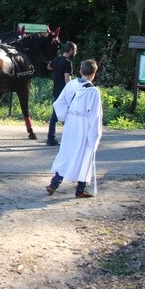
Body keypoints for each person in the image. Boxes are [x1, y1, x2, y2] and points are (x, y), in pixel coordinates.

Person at [45, 59, 102, 198]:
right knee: (84, 155)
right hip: (84, 124)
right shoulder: (93, 91)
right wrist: (95, 135)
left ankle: (55, 182)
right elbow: (95, 115)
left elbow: (59, 102)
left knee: (67, 152)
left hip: (71, 123)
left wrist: (65, 117)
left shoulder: (71, 84)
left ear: (81, 71)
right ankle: (80, 189)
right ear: (93, 73)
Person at [46, 41, 77, 145]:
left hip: (55, 91)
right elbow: (67, 79)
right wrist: (72, 92)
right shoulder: (68, 62)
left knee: (55, 115)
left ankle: (51, 138)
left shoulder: (56, 59)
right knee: (67, 114)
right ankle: (54, 139)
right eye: (74, 51)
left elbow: (48, 67)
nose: (74, 53)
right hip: (64, 93)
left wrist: (53, 65)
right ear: (71, 50)